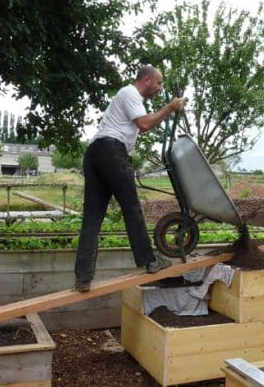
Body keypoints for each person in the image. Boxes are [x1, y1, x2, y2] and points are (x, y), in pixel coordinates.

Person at [73, 65, 187, 292]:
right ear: (146, 80)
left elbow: (142, 126)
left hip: (96, 152)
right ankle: (150, 262)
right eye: (158, 82)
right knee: (132, 208)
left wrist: (167, 111)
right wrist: (170, 108)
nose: (159, 87)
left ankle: (83, 278)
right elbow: (144, 124)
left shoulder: (129, 97)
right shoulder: (130, 93)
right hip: (111, 152)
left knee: (92, 218)